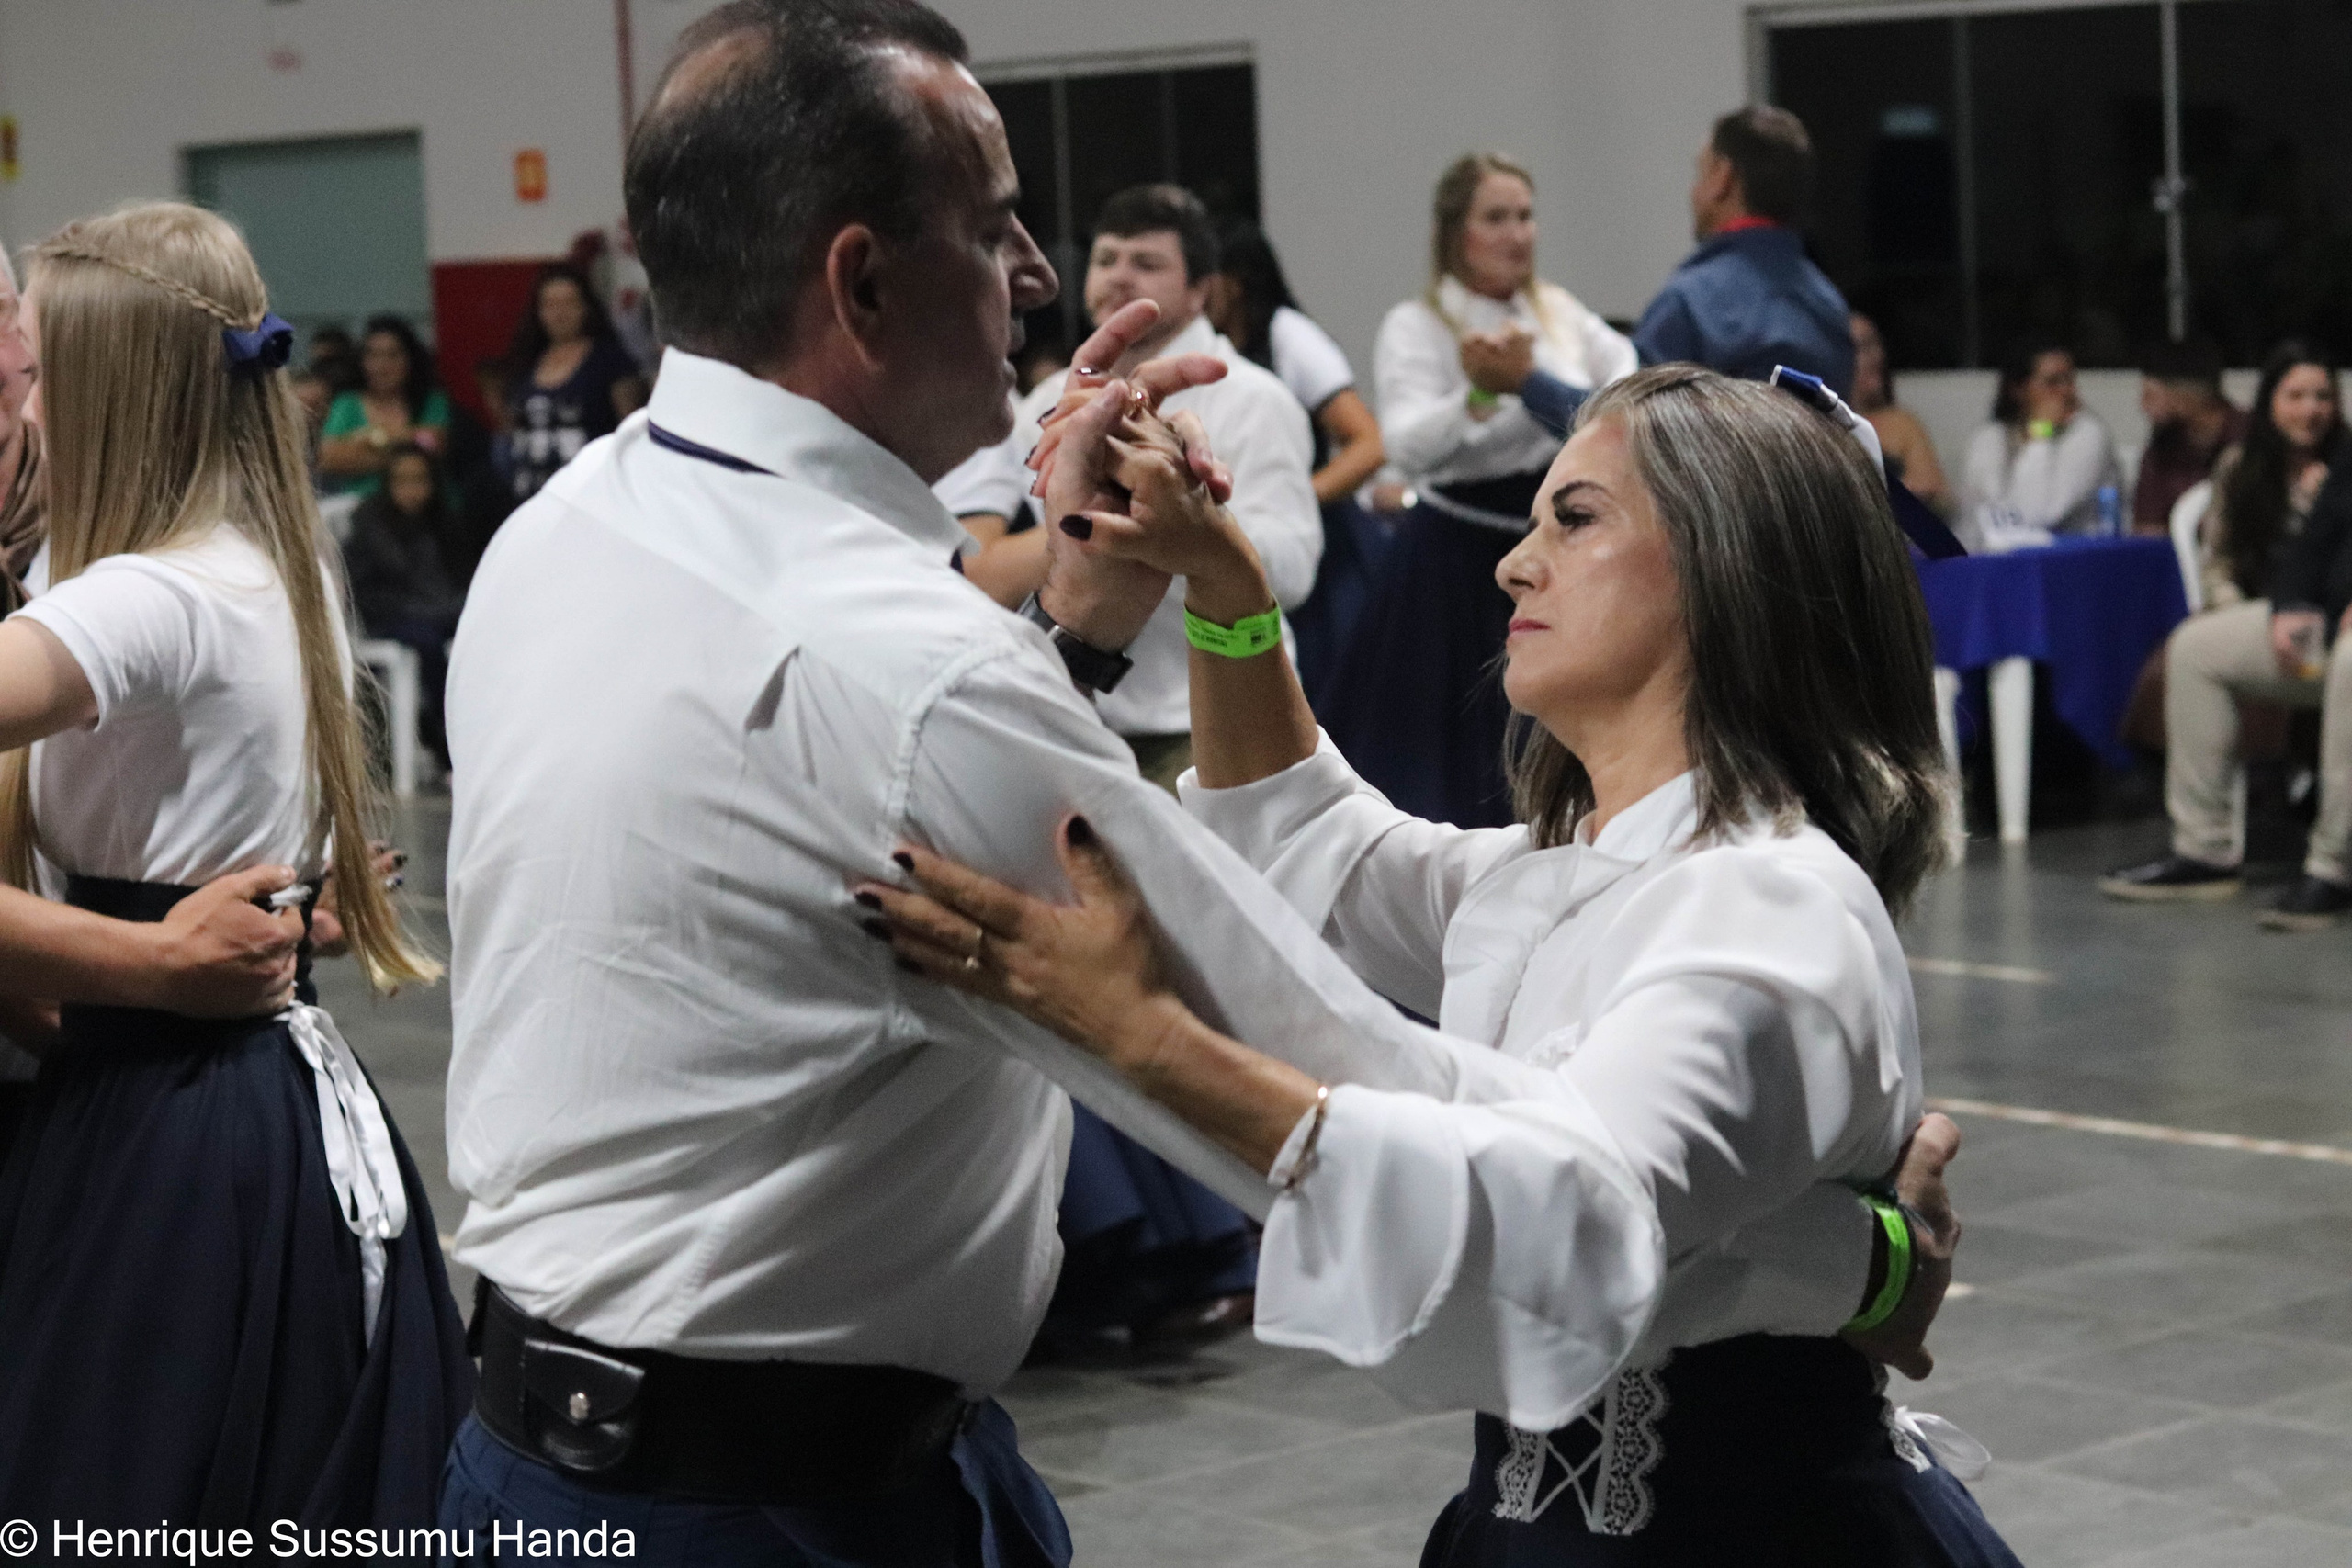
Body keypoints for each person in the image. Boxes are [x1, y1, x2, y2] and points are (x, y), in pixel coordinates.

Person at [436, 6, 1957, 1562]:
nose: (1041, 274)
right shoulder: (913, 675)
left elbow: (1557, 1190)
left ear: (1729, 579)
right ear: (862, 280)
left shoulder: (563, 532)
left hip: (544, 1455)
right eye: (998, 226)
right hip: (765, 1505)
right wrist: (1848, 1258)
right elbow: (1348, 952)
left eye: (1572, 517)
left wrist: (1136, 646)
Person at [867, 363, 2011, 1565]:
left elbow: (1569, 1220)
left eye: (1573, 518)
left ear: (1730, 566)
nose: (1516, 562)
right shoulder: (1567, 868)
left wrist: (1150, 1042)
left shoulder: (1773, 906)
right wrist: (1222, 579)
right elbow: (1314, 845)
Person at [0, 202, 468, 1527]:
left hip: (165, 1104)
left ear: (96, 390)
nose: (22, 407)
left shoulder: (144, 592)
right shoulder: (259, 554)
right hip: (245, 1087)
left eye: (35, 374)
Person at [1335, 152, 1635, 828]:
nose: (1516, 234)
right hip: (1448, 561)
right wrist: (1477, 394)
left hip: (1556, 545)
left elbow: (1624, 400)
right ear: (1456, 233)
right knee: (1438, 756)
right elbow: (1406, 445)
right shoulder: (1418, 324)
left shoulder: (1561, 313)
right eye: (1495, 218)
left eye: (1525, 216)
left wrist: (1529, 379)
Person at [2102, 344, 2352, 929]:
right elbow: (2310, 548)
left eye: (2323, 397)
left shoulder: (2342, 455)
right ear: (2269, 403)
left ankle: (2332, 867)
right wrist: (2286, 609)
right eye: (2297, 395)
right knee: (2195, 649)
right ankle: (2204, 849)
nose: (2312, 409)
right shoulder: (2250, 467)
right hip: (2308, 622)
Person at [1206, 219, 1389, 697]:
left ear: (1234, 282)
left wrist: (1298, 494)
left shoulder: (1291, 337)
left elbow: (1368, 442)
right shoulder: (1221, 350)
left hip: (1325, 548)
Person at [1634, 107, 1853, 394]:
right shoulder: (1830, 308)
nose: (1693, 192)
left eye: (1700, 173)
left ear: (1723, 177)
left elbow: (1624, 423)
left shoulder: (1689, 303)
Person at [343, 443, 467, 766]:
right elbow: (365, 590)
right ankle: (440, 734)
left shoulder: (444, 520)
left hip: (442, 611)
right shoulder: (369, 523)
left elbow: (461, 575)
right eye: (403, 480)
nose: (412, 489)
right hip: (392, 616)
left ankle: (471, 731)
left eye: (420, 479)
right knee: (427, 641)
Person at [501, 262, 649, 504]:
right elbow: (511, 430)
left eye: (569, 303)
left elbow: (630, 428)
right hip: (531, 496)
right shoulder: (525, 362)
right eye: (551, 305)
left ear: (586, 308)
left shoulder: (610, 360)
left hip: (590, 495)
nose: (560, 313)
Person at [1957, 342, 2121, 550]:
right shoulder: (1991, 436)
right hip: (1991, 559)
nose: (2065, 391)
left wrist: (2041, 433)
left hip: (2067, 560)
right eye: (2053, 382)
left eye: (2069, 380)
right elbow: (1982, 518)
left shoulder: (2088, 433)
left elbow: (2034, 514)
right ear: (2018, 389)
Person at [317, 314, 453, 496]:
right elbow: (330, 460)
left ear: (410, 359)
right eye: (373, 355)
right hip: (360, 511)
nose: (382, 365)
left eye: (393, 355)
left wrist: (369, 440)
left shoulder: (433, 402)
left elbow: (434, 445)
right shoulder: (346, 404)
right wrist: (406, 445)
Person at [2132, 336, 2245, 534]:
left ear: (2186, 393)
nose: (2143, 406)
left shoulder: (2248, 438)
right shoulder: (2162, 449)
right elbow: (2146, 527)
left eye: (2150, 395)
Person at [1850, 311, 1951, 514]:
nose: (1877, 357)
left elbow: (1933, 488)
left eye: (1876, 345)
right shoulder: (1812, 422)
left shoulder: (1901, 424)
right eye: (1862, 347)